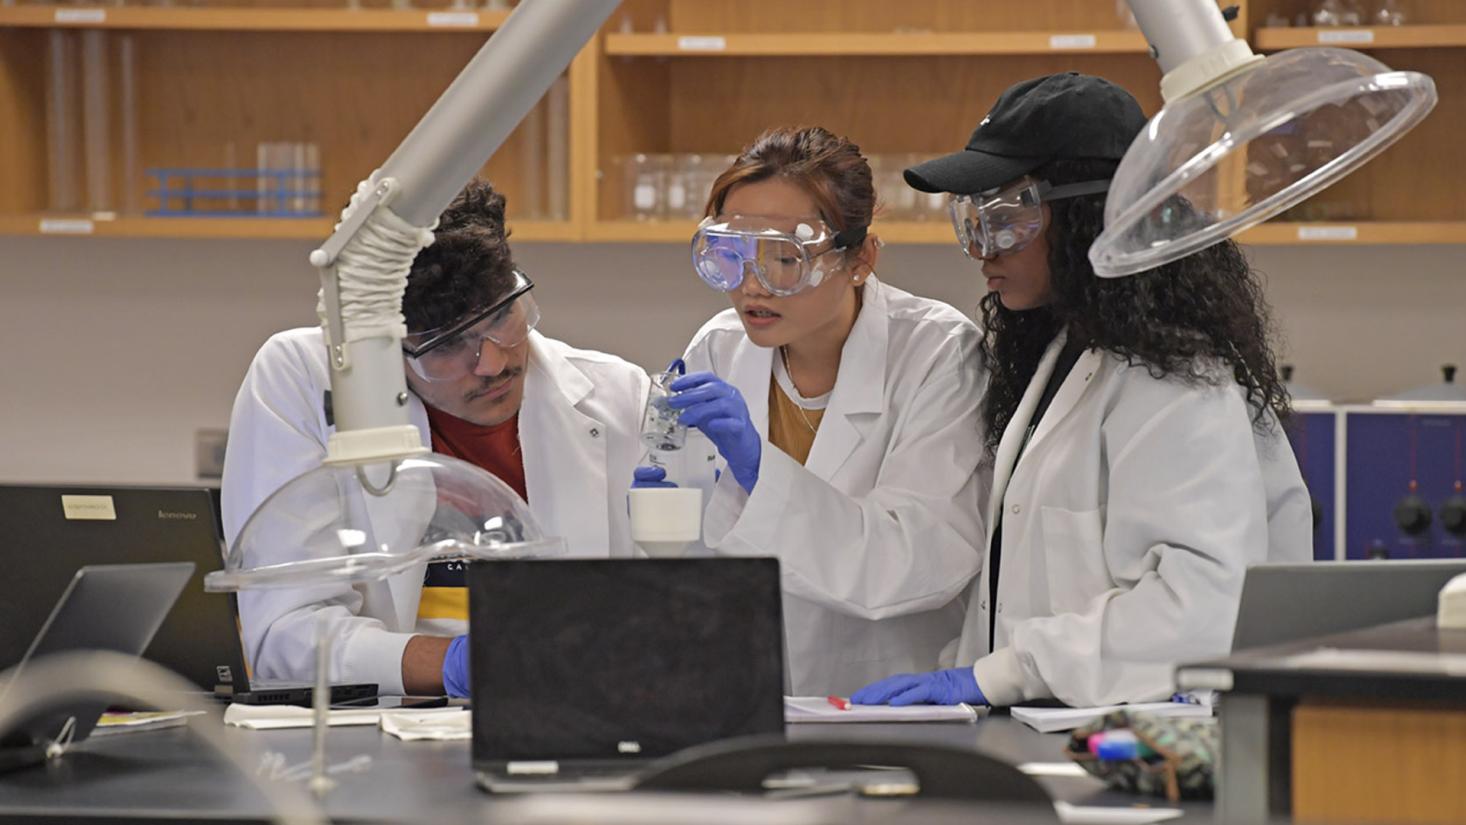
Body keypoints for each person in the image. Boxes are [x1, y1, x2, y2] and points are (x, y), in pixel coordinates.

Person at [852, 72, 1313, 709]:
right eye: (973, 222)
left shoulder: (1178, 380)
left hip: (1133, 744)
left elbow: (1201, 603)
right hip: (1048, 727)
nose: (983, 249)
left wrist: (997, 676)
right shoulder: (1063, 354)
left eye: (1007, 218)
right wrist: (969, 673)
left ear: (1086, 216)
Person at [222, 180, 649, 698]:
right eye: (447, 345)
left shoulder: (618, 394)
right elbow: (283, 634)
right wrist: (462, 664)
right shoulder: (300, 378)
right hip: (378, 736)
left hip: (569, 716)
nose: (492, 363)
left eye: (500, 317)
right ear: (380, 344)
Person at [635, 126, 987, 696]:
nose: (752, 286)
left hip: (891, 696)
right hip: (748, 689)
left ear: (860, 259)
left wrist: (758, 472)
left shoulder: (937, 354)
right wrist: (665, 514)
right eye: (729, 256)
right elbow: (708, 563)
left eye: (783, 260)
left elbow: (915, 564)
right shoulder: (719, 348)